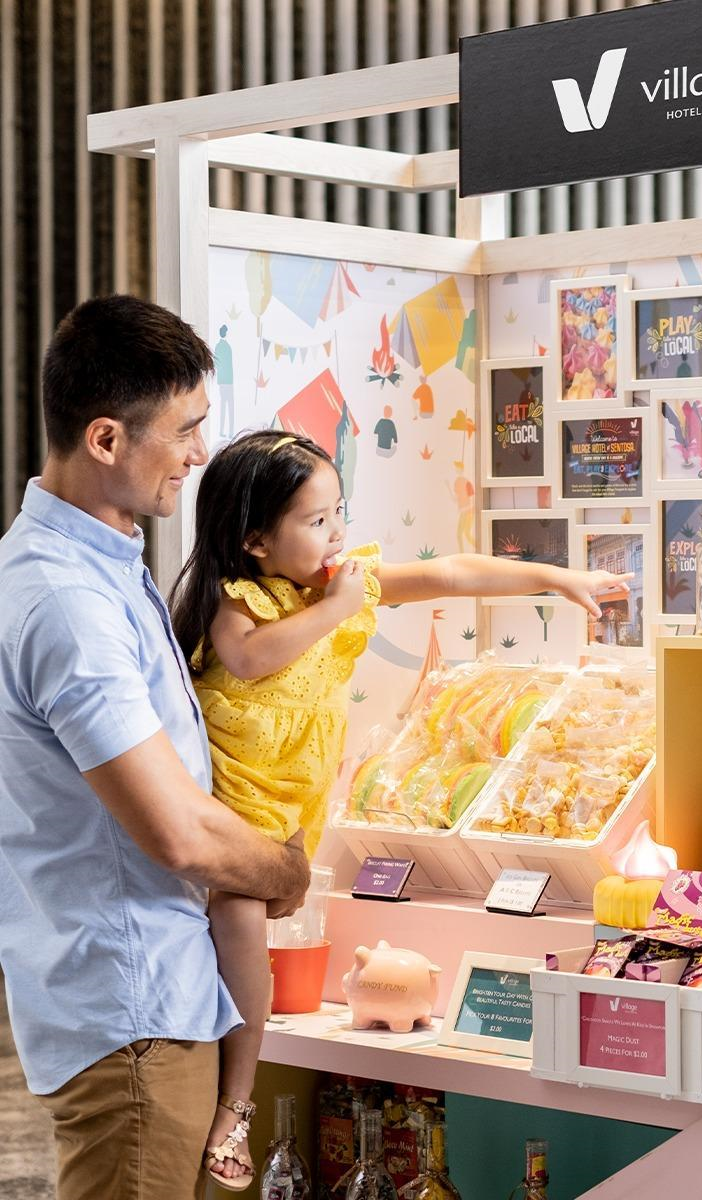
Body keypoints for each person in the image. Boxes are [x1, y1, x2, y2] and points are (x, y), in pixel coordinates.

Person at [169, 429, 631, 1189]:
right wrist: (340, 604)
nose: (337, 533)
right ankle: (238, 1104)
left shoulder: (343, 581)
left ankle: (242, 1074)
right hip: (233, 801)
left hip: (294, 802)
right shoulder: (238, 600)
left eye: (338, 512)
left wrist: (554, 576)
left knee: (261, 920)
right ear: (255, 541)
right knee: (241, 919)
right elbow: (253, 658)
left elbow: (451, 571)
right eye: (316, 521)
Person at [0, 295, 311, 1200]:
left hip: (151, 1005)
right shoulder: (69, 603)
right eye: (184, 430)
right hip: (132, 1021)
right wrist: (282, 872)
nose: (199, 455)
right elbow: (175, 831)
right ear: (105, 439)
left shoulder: (101, 563)